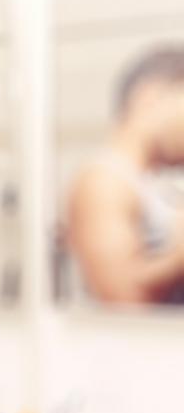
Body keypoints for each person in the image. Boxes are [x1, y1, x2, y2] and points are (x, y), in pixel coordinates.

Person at [68, 46, 184, 305]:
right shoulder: (104, 182)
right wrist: (177, 259)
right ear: (150, 98)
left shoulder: (150, 182)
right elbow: (121, 297)